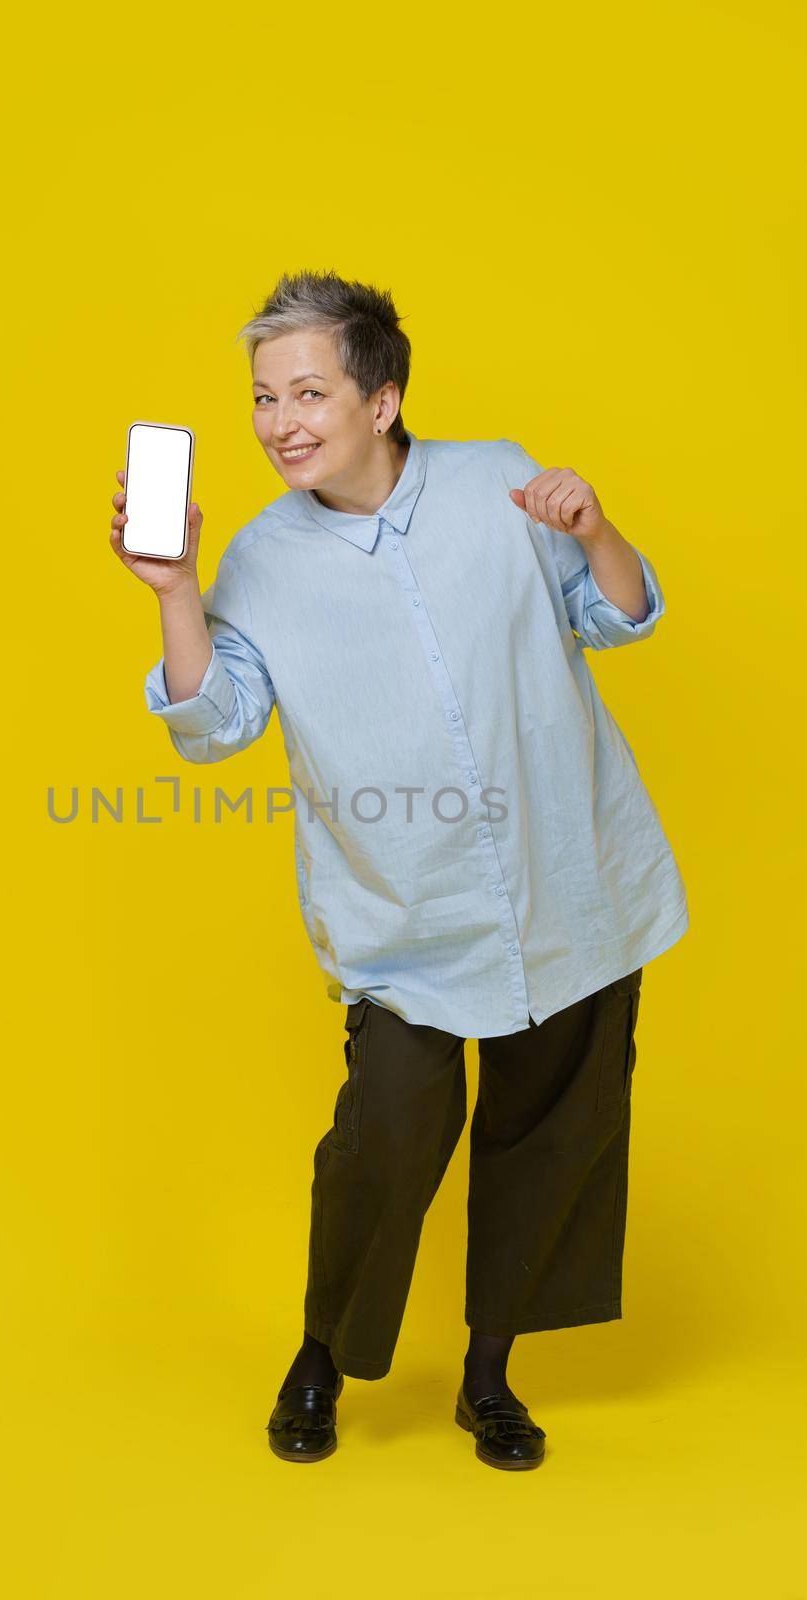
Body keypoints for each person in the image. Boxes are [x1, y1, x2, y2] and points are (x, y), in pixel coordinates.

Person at [109, 269, 689, 1471]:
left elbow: (622, 617)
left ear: (382, 395)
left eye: (308, 390)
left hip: (566, 887)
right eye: (264, 397)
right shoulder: (263, 563)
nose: (278, 421)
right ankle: (321, 1351)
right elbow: (212, 723)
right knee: (383, 1134)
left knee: (552, 1134)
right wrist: (176, 593)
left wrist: (596, 529)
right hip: (402, 913)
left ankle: (490, 1374)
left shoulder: (497, 482)